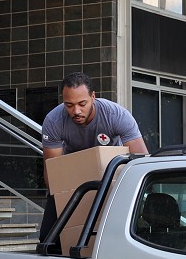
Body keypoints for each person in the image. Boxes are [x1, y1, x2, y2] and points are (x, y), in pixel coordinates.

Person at [38, 72, 147, 237]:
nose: (76, 111)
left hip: (110, 177)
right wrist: (59, 199)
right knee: (48, 238)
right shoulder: (54, 121)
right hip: (72, 178)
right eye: (69, 105)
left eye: (82, 103)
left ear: (93, 97)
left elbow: (141, 159)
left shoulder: (116, 116)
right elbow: (52, 171)